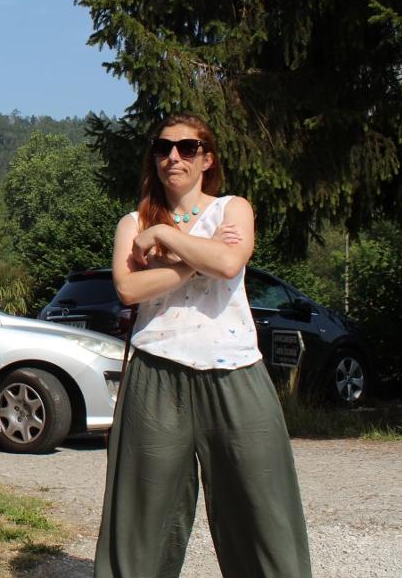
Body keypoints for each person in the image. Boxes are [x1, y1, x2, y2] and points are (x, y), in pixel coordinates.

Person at [94, 114, 311, 578]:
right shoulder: (131, 221)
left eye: (187, 148)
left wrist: (168, 238)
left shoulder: (233, 208)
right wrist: (199, 256)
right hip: (155, 372)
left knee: (262, 506)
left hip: (235, 370)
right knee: (142, 514)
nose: (173, 156)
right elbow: (129, 290)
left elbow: (230, 262)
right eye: (163, 147)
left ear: (206, 159)